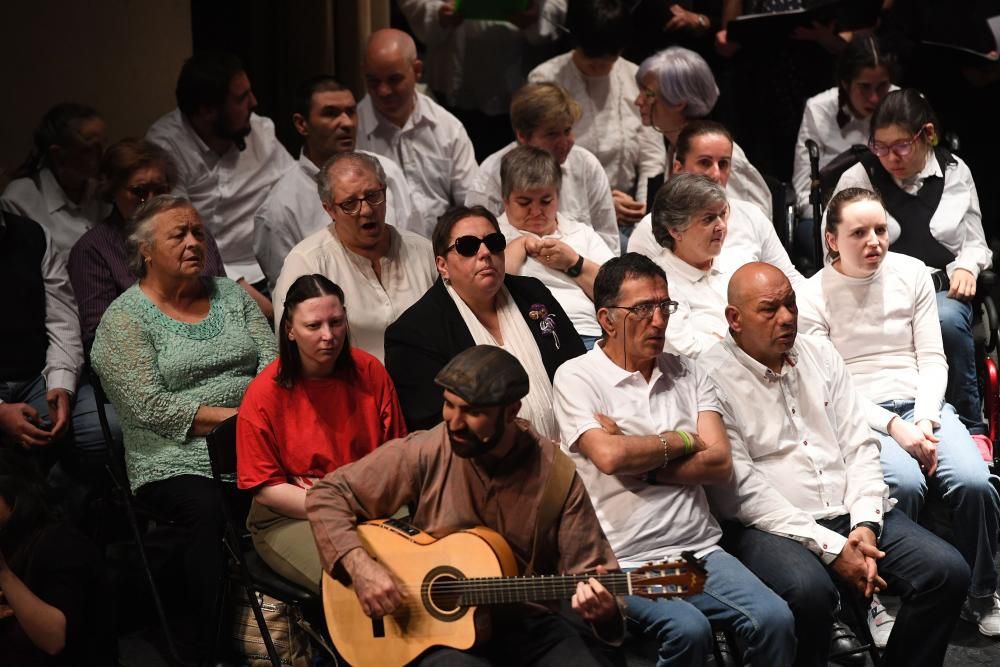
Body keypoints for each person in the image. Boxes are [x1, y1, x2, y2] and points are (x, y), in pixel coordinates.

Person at [700, 261, 971, 666]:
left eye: (790, 304)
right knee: (809, 592)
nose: (787, 317)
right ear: (734, 319)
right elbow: (743, 492)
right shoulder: (710, 375)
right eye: (769, 309)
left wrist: (865, 523)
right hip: (771, 526)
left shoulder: (819, 354)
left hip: (848, 511)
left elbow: (859, 446)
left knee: (947, 572)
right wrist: (831, 548)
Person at [306, 345, 623, 665]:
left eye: (472, 412)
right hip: (434, 633)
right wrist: (361, 567)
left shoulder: (557, 477)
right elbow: (327, 495)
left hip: (526, 625)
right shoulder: (429, 448)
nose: (454, 423)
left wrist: (605, 609)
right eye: (448, 405)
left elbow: (594, 572)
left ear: (512, 412)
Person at [552, 253, 796, 666]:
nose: (659, 320)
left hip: (700, 549)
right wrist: (685, 439)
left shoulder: (688, 371)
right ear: (607, 320)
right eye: (642, 309)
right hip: (625, 559)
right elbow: (609, 457)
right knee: (687, 630)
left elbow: (719, 463)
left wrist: (639, 451)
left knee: (774, 618)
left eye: (664, 306)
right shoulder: (577, 376)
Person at [797, 188, 1000, 637]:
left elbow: (932, 358)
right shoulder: (811, 295)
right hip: (860, 415)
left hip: (921, 405)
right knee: (901, 484)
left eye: (880, 230)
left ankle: (981, 594)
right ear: (832, 240)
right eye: (859, 233)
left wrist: (925, 421)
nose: (874, 241)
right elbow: (834, 387)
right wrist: (895, 428)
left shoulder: (911, 273)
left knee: (974, 482)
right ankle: (879, 601)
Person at [91, 195, 277, 662]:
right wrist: (241, 419)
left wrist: (256, 420)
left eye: (198, 232)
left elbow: (274, 367)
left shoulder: (232, 296)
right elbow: (150, 406)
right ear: (147, 251)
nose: (195, 242)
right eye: (179, 234)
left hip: (259, 437)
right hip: (172, 456)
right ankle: (210, 645)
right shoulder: (124, 320)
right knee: (209, 509)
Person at [832, 88, 993, 437]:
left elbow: (975, 241)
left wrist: (967, 265)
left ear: (928, 135)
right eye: (881, 146)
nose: (891, 157)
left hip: (940, 289)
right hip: (875, 289)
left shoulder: (955, 171)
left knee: (946, 320)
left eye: (902, 145)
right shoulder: (860, 177)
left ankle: (970, 425)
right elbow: (835, 246)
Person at [237, 274, 406, 593]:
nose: (329, 335)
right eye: (314, 326)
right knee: (352, 583)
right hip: (292, 515)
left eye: (336, 322)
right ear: (290, 330)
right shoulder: (264, 394)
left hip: (369, 499)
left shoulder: (369, 371)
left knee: (421, 557)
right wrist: (341, 505)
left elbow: (396, 456)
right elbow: (268, 490)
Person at [384, 206, 585, 437]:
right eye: (468, 246)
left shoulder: (532, 293)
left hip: (573, 446)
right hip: (484, 466)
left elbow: (578, 367)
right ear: (442, 266)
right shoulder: (413, 333)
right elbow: (436, 429)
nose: (485, 252)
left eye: (494, 242)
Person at [146, 51, 294, 319]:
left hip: (278, 265)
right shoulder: (168, 146)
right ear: (206, 110)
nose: (254, 102)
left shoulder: (260, 130)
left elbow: (295, 192)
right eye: (241, 98)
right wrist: (268, 310)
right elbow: (180, 238)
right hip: (213, 277)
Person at [252, 75, 419, 293]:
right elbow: (292, 300)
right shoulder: (279, 210)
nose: (347, 123)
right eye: (331, 114)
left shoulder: (387, 172)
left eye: (350, 112)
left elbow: (414, 250)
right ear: (302, 124)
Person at [272, 152, 436, 362]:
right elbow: (291, 350)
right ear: (329, 209)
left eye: (373, 196)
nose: (367, 210)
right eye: (350, 203)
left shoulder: (423, 251)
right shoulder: (307, 262)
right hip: (349, 387)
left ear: (385, 191)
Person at [68, 138, 226, 351]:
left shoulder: (197, 235)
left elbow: (225, 301)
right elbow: (100, 337)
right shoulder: (93, 250)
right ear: (113, 190)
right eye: (139, 192)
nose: (151, 201)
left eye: (160, 190)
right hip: (145, 359)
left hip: (217, 345)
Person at [528, 0, 665, 240]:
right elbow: (539, 162)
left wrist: (643, 211)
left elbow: (651, 157)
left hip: (629, 209)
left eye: (609, 60)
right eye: (591, 60)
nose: (600, 68)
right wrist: (600, 201)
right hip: (569, 211)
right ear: (575, 43)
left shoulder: (635, 76)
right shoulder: (546, 79)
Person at [640, 173, 800, 358]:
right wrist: (751, 342)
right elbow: (686, 351)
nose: (721, 226)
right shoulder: (657, 283)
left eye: (723, 214)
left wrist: (725, 340)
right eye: (708, 219)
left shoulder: (741, 261)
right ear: (675, 230)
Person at [0, 208, 105, 477]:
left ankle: (62, 499)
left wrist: (61, 383)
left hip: (37, 377)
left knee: (104, 431)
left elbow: (62, 320)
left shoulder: (32, 234)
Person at [629, 121, 801, 281]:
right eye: (705, 162)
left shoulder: (752, 215)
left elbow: (789, 280)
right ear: (678, 169)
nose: (716, 174)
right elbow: (639, 294)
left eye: (724, 164)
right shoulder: (649, 228)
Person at [397, 0, 566, 160]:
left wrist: (539, 17)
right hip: (453, 81)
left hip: (517, 84)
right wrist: (436, 13)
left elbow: (556, 5)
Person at [467, 82, 620, 254]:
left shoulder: (586, 164)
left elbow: (608, 238)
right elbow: (477, 244)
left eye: (567, 130)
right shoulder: (493, 172)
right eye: (552, 134)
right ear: (523, 136)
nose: (564, 142)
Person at [356, 29, 480, 238]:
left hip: (442, 250)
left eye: (394, 79)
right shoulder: (352, 131)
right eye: (373, 81)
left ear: (417, 70)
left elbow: (472, 203)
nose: (383, 91)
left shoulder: (447, 127)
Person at [0, 450, 113, 667]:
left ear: (13, 491)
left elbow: (54, 640)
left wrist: (4, 575)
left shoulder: (60, 543)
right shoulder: (9, 539)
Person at [633, 47, 772, 219]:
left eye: (648, 94)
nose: (638, 101)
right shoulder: (676, 147)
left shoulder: (721, 157)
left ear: (678, 102)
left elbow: (744, 229)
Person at [499, 145, 615, 350]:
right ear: (506, 200)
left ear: (558, 195)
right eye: (524, 202)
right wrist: (519, 245)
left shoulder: (581, 233)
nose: (536, 211)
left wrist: (574, 263)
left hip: (589, 334)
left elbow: (616, 293)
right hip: (530, 338)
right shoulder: (493, 235)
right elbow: (494, 290)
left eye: (546, 201)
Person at [791, 36, 896, 217]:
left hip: (893, 213)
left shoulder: (904, 106)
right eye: (865, 87)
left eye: (882, 86)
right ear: (846, 83)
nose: (875, 98)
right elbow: (804, 191)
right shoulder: (818, 109)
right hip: (833, 215)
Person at [1, 103, 109, 258]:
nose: (103, 156)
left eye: (104, 145)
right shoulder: (19, 201)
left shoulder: (102, 192)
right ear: (58, 155)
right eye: (91, 149)